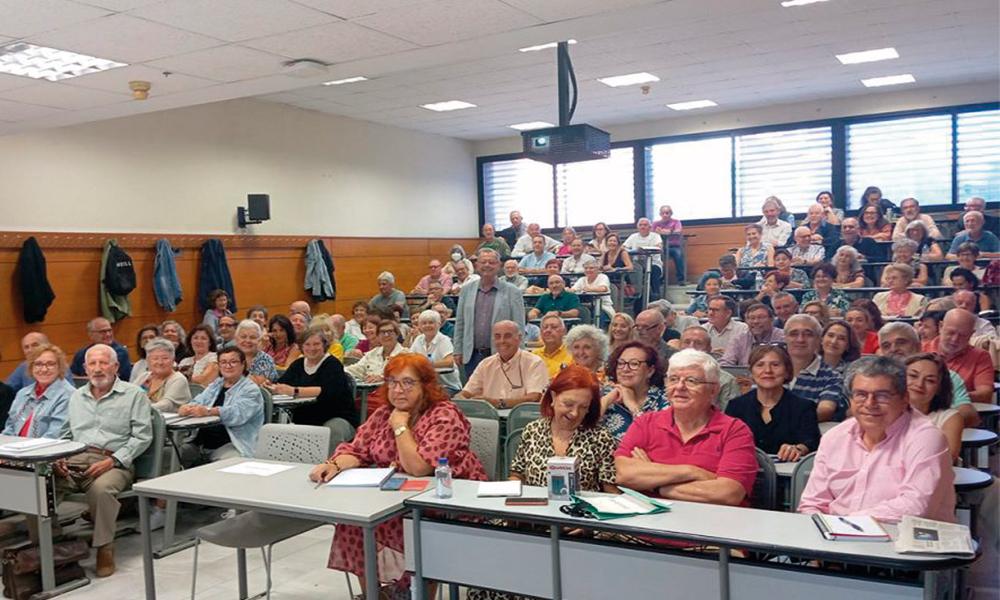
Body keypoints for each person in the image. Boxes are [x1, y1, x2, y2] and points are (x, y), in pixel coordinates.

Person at [311, 354, 486, 597]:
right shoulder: (385, 413)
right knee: (356, 523)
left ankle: (412, 592)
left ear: (426, 385)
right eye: (392, 382)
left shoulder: (445, 415)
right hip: (396, 496)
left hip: (444, 502)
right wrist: (334, 464)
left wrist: (400, 426)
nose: (398, 390)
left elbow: (418, 467)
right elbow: (357, 449)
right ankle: (376, 594)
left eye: (407, 383)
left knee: (410, 526)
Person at [798, 356, 955, 524]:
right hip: (837, 538)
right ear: (850, 399)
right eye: (861, 395)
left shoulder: (926, 437)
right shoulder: (834, 437)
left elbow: (917, 507)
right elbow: (812, 504)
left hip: (907, 541)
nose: (870, 403)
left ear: (904, 399)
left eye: (882, 396)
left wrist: (845, 523)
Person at [55, 344, 153, 577]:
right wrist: (58, 457)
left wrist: (114, 461)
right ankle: (50, 545)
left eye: (103, 363)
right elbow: (65, 434)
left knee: (101, 490)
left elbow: (142, 436)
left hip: (114, 461)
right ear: (85, 368)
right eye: (92, 364)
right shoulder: (76, 396)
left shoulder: (134, 395)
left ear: (116, 366)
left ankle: (104, 547)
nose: (98, 369)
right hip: (75, 457)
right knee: (39, 485)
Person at [614, 349, 757, 505]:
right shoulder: (645, 423)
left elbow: (728, 493)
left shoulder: (735, 431)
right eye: (673, 379)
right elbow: (624, 474)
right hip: (650, 523)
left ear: (714, 390)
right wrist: (691, 471)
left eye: (691, 381)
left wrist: (654, 484)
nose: (680, 387)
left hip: (711, 524)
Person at [510, 366, 617, 493]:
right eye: (568, 404)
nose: (574, 413)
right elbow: (517, 474)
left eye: (583, 407)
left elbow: (610, 490)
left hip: (581, 511)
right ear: (553, 397)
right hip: (537, 510)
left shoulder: (601, 438)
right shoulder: (532, 430)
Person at [725, 345, 820, 461]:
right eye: (760, 365)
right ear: (751, 372)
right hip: (742, 470)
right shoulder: (735, 406)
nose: (768, 371)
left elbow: (811, 442)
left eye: (775, 365)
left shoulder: (804, 407)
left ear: (787, 371)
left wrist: (798, 449)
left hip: (786, 475)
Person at [879, 322, 978, 428]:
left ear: (918, 346)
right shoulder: (874, 380)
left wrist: (929, 423)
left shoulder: (944, 375)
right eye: (886, 346)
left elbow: (969, 415)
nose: (893, 349)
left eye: (901, 342)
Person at [178, 346, 264, 463]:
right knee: (171, 456)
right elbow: (199, 401)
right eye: (223, 362)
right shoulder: (217, 384)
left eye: (233, 362)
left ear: (243, 364)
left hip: (233, 444)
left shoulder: (251, 389)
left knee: (227, 465)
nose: (228, 366)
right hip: (199, 444)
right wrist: (187, 407)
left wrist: (209, 411)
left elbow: (238, 414)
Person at [269, 328, 358, 441]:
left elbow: (328, 391)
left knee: (332, 431)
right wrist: (272, 387)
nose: (312, 348)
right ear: (302, 346)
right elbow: (282, 383)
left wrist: (294, 391)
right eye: (307, 344)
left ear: (324, 345)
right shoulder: (298, 364)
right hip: (302, 418)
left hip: (336, 417)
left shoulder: (333, 364)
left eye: (316, 344)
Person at [453, 249, 526, 376]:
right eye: (483, 262)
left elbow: (519, 326)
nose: (487, 265)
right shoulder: (466, 290)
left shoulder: (513, 292)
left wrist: (519, 354)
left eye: (491, 262)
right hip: (472, 355)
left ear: (499, 266)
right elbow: (460, 322)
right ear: (477, 266)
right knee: (474, 394)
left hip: (503, 354)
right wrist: (458, 350)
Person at [459, 321, 548, 409]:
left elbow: (534, 397)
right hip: (490, 419)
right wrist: (461, 400)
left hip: (521, 418)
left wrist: (497, 403)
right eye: (497, 337)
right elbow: (466, 393)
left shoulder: (534, 362)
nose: (502, 341)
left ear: (519, 338)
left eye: (507, 336)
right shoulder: (485, 364)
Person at [599, 341, 668, 443]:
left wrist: (632, 405)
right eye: (621, 363)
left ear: (650, 371)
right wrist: (607, 400)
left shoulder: (664, 400)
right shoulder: (603, 394)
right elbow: (581, 428)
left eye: (634, 364)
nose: (625, 369)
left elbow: (658, 440)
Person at [2, 344, 73, 438]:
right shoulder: (22, 394)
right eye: (38, 364)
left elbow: (55, 435)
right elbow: (10, 427)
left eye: (50, 364)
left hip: (45, 450)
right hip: (15, 449)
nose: (44, 369)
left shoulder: (68, 395)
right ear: (31, 368)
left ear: (60, 367)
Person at [784, 315, 846, 422]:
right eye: (794, 334)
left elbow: (825, 411)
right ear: (784, 338)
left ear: (819, 339)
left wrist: (781, 420)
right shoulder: (769, 369)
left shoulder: (832, 377)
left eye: (808, 334)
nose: (800, 339)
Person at [928, 308, 994, 404]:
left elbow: (985, 395)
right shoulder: (920, 350)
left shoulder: (980, 357)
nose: (955, 339)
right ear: (940, 327)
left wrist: (947, 397)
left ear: (971, 334)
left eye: (962, 335)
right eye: (951, 333)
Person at [905, 354, 963, 462]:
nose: (919, 384)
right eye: (913, 376)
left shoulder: (950, 418)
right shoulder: (885, 412)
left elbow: (946, 459)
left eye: (930, 381)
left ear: (939, 388)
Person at [347, 320, 411, 414]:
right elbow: (356, 369)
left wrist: (383, 378)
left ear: (397, 335)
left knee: (361, 406)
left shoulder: (406, 354)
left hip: (393, 396)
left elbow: (405, 378)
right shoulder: (372, 354)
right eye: (382, 332)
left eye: (390, 332)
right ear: (377, 336)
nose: (386, 335)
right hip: (368, 395)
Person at [678, 327, 742, 408]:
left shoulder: (726, 381)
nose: (691, 347)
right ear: (679, 346)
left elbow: (730, 416)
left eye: (698, 343)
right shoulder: (667, 376)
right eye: (687, 342)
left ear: (709, 349)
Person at [409, 310, 461, 395]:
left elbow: (450, 362)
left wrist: (427, 364)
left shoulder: (444, 340)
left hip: (447, 385)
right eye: (424, 323)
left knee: (429, 397)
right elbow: (410, 358)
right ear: (419, 326)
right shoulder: (418, 339)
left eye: (431, 322)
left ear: (439, 324)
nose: (427, 326)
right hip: (424, 384)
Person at [133, 338, 191, 412]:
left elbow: (166, 405)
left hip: (167, 422)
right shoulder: (144, 376)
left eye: (165, 358)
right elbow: (130, 395)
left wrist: (137, 409)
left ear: (173, 360)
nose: (160, 362)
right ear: (148, 361)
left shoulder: (178, 379)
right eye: (155, 358)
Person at [719, 303, 784, 367]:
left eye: (760, 317)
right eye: (752, 318)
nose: (756, 322)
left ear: (771, 319)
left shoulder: (783, 337)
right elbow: (725, 363)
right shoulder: (739, 339)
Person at [6, 332, 72, 389]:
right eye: (26, 347)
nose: (30, 350)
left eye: (35, 345)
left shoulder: (60, 365)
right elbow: (8, 389)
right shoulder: (23, 366)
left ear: (47, 346)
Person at [622, 217, 663, 295]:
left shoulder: (655, 236)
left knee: (654, 272)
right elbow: (623, 248)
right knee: (628, 272)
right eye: (640, 225)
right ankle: (634, 295)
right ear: (637, 227)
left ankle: (655, 295)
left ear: (650, 227)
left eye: (645, 225)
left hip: (653, 263)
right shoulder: (633, 236)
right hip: (637, 264)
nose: (642, 227)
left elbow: (659, 247)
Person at [235, 319, 277, 384]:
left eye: (252, 337)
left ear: (259, 340)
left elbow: (258, 383)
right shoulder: (231, 356)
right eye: (243, 337)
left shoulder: (264, 359)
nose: (247, 340)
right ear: (236, 339)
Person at [653, 204, 686, 283]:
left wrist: (668, 232)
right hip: (660, 246)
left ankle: (680, 279)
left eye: (667, 213)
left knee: (678, 255)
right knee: (657, 256)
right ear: (660, 214)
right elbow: (653, 233)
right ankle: (660, 278)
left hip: (673, 247)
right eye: (663, 213)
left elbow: (678, 231)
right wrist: (665, 232)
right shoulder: (655, 223)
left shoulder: (676, 222)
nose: (665, 215)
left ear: (671, 214)